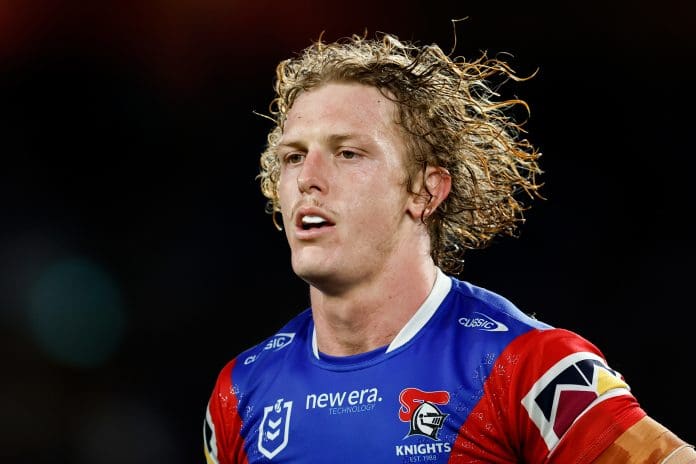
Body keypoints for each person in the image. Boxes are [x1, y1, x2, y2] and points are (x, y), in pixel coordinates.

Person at [202, 30, 695, 463]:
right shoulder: (239, 394)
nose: (307, 178)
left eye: (348, 153)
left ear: (425, 191)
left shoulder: (526, 367)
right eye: (293, 157)